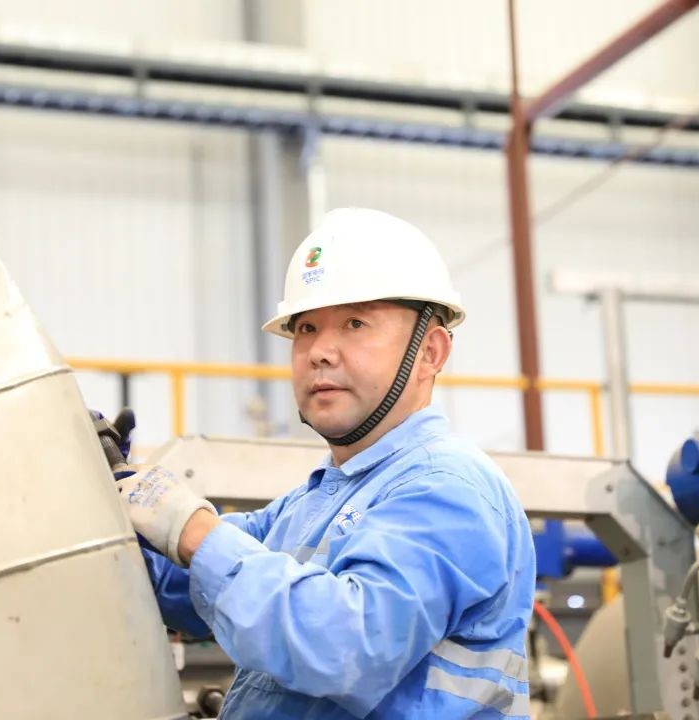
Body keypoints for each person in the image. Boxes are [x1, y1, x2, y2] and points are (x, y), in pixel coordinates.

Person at [116, 208, 536, 718]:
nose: (319, 351)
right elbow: (188, 582)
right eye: (307, 328)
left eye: (355, 323)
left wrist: (190, 528)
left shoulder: (449, 489)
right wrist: (107, 500)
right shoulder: (312, 503)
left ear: (430, 351)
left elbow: (345, 647)